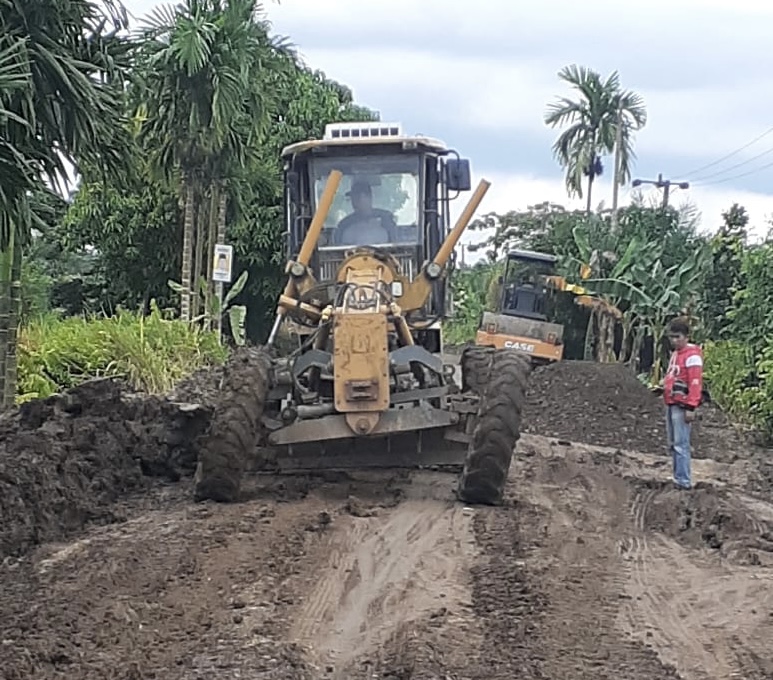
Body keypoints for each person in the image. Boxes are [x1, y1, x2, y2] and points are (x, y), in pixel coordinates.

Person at [662, 317, 704, 490]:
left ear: (686, 336)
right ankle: (678, 477)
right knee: (673, 443)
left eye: (677, 337)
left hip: (682, 405)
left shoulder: (692, 357)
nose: (674, 340)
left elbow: (695, 383)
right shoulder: (675, 355)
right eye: (672, 337)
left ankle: (683, 481)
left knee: (681, 444)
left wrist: (691, 407)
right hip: (671, 402)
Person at [335, 179, 396, 246]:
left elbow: (395, 245)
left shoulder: (386, 220)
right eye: (353, 198)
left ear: (368, 197)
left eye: (358, 197)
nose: (354, 202)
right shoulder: (345, 224)